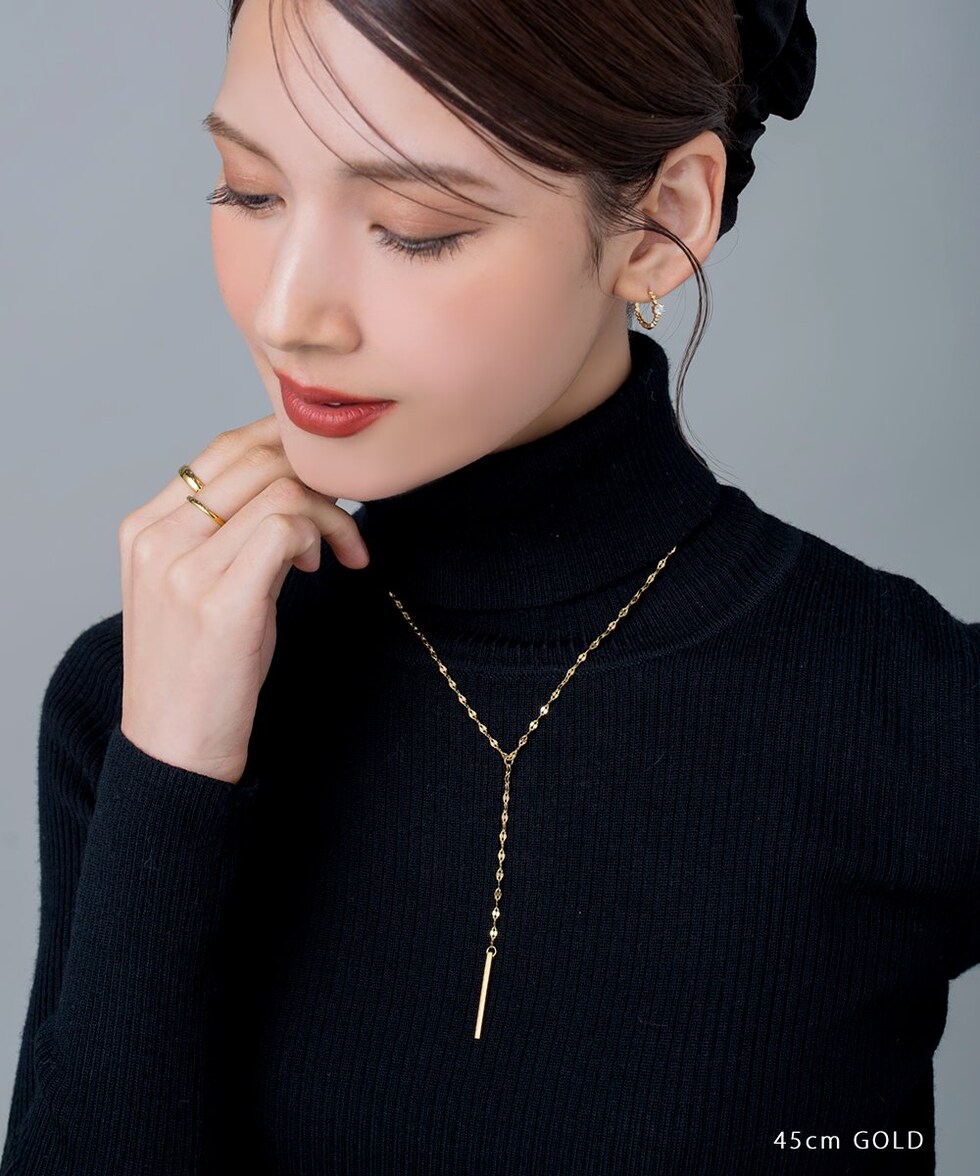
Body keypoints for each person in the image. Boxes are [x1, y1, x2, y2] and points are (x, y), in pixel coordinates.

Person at [1, 0, 976, 1173]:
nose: (287, 313)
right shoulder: (140, 697)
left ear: (661, 223)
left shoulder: (923, 720)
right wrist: (169, 773)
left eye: (412, 227)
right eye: (250, 192)